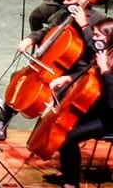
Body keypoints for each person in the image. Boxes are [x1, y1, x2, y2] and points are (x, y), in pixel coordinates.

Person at [0, 0, 106, 142]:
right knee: (19, 78)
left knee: (56, 94)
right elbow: (46, 29)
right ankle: (1, 125)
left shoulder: (98, 20)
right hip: (55, 64)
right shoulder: (65, 13)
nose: (66, 4)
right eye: (64, 0)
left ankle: (45, 137)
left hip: (77, 71)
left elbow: (99, 49)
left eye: (69, 0)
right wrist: (30, 39)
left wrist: (83, 25)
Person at [40, 18, 113, 188]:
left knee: (69, 136)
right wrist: (68, 78)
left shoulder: (107, 62)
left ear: (109, 37)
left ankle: (72, 183)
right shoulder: (104, 54)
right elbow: (89, 74)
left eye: (97, 36)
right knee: (62, 126)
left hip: (110, 118)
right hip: (99, 110)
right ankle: (66, 172)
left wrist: (105, 71)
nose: (94, 40)